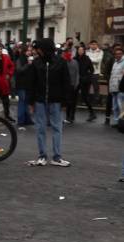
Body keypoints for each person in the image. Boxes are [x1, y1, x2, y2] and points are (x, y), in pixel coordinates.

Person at [26, 38, 72, 167]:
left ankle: (57, 157)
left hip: (56, 100)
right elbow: (31, 83)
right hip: (40, 100)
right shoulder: (36, 63)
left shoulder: (61, 62)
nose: (37, 51)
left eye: (39, 48)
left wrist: (65, 102)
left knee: (57, 128)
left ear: (45, 48)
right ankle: (42, 156)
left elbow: (66, 82)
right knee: (41, 128)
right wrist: (31, 102)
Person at [74, 46, 96, 122]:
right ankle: (71, 115)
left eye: (81, 50)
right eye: (79, 50)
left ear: (84, 51)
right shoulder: (75, 59)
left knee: (85, 97)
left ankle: (92, 113)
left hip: (85, 81)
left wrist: (87, 77)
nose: (80, 51)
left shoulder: (87, 59)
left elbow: (92, 69)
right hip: (76, 80)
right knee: (74, 96)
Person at [0, 43, 15, 122]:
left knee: (6, 100)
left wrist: (9, 74)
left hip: (4, 82)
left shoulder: (6, 57)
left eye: (0, 49)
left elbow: (12, 66)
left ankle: (7, 115)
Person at [15, 45, 34, 127]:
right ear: (24, 51)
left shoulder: (29, 59)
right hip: (21, 84)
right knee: (22, 102)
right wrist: (28, 65)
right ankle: (21, 120)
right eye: (28, 51)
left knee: (27, 102)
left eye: (30, 51)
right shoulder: (20, 60)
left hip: (28, 84)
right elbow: (19, 70)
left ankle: (27, 119)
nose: (29, 52)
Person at [62, 50, 80, 124]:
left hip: (72, 85)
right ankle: (67, 117)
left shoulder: (75, 62)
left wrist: (76, 83)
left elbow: (77, 73)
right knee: (68, 102)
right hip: (67, 85)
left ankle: (71, 116)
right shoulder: (63, 62)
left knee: (72, 102)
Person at [109, 46, 124, 127]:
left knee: (120, 106)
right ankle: (117, 122)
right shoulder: (115, 62)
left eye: (120, 54)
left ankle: (121, 123)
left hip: (121, 88)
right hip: (113, 87)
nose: (118, 55)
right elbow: (112, 75)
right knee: (115, 107)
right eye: (116, 54)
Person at [86, 40, 103, 105]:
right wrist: (93, 60)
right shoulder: (87, 52)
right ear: (90, 45)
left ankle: (96, 101)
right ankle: (86, 100)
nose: (94, 45)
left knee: (96, 87)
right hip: (87, 72)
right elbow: (86, 60)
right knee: (87, 87)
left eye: (95, 44)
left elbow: (98, 60)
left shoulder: (100, 52)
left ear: (97, 45)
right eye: (92, 44)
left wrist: (89, 59)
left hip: (95, 72)